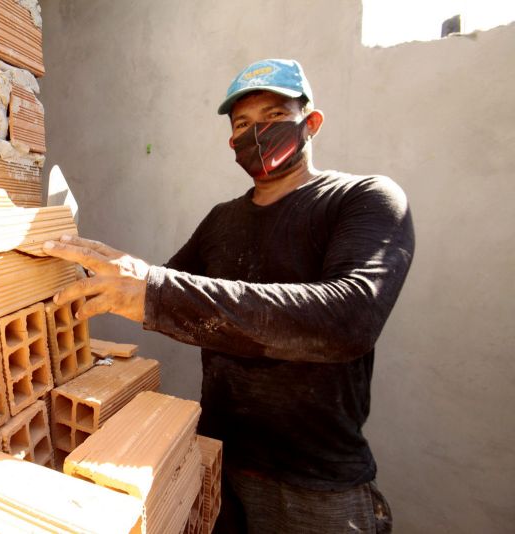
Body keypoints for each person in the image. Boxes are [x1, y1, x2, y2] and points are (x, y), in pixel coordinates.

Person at [42, 58, 414, 533]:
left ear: (311, 122)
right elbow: (166, 291)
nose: (257, 132)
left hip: (317, 486)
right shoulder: (222, 221)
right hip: (219, 459)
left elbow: (348, 320)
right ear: (231, 141)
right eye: (244, 124)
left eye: (275, 117)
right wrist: (61, 267)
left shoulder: (363, 199)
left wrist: (154, 290)